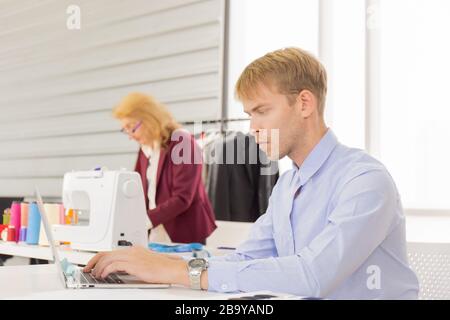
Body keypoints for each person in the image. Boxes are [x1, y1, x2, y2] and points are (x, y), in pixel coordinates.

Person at [84, 48, 419, 299]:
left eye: (262, 111)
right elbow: (244, 258)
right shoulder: (287, 186)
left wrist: (173, 269)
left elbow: (313, 274)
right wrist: (149, 265)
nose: (253, 128)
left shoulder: (364, 181)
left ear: (304, 103)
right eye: (249, 115)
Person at [112, 93, 216, 244]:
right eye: (125, 130)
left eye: (131, 128)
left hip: (183, 233)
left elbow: (182, 198)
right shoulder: (145, 148)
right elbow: (139, 190)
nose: (130, 136)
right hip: (155, 231)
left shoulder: (182, 142)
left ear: (149, 119)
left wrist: (144, 220)